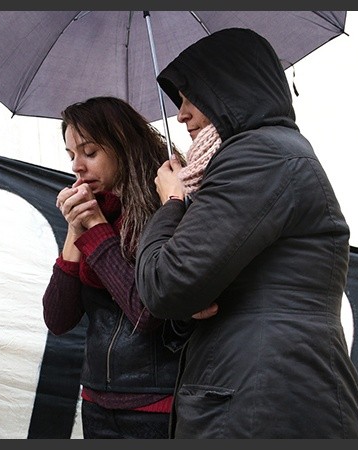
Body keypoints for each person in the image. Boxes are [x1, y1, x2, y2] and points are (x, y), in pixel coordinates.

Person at [134, 28, 358, 438]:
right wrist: (195, 298)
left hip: (259, 405)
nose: (181, 114)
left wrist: (171, 202)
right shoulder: (267, 155)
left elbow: (164, 284)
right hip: (263, 396)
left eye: (192, 96)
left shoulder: (258, 156)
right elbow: (200, 287)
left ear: (228, 89)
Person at [41, 96, 217, 439]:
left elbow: (145, 311)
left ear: (122, 146)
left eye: (90, 153)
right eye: (71, 155)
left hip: (157, 403)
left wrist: (93, 226)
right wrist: (75, 231)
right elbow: (58, 318)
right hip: (96, 400)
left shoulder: (166, 210)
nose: (77, 166)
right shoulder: (96, 211)